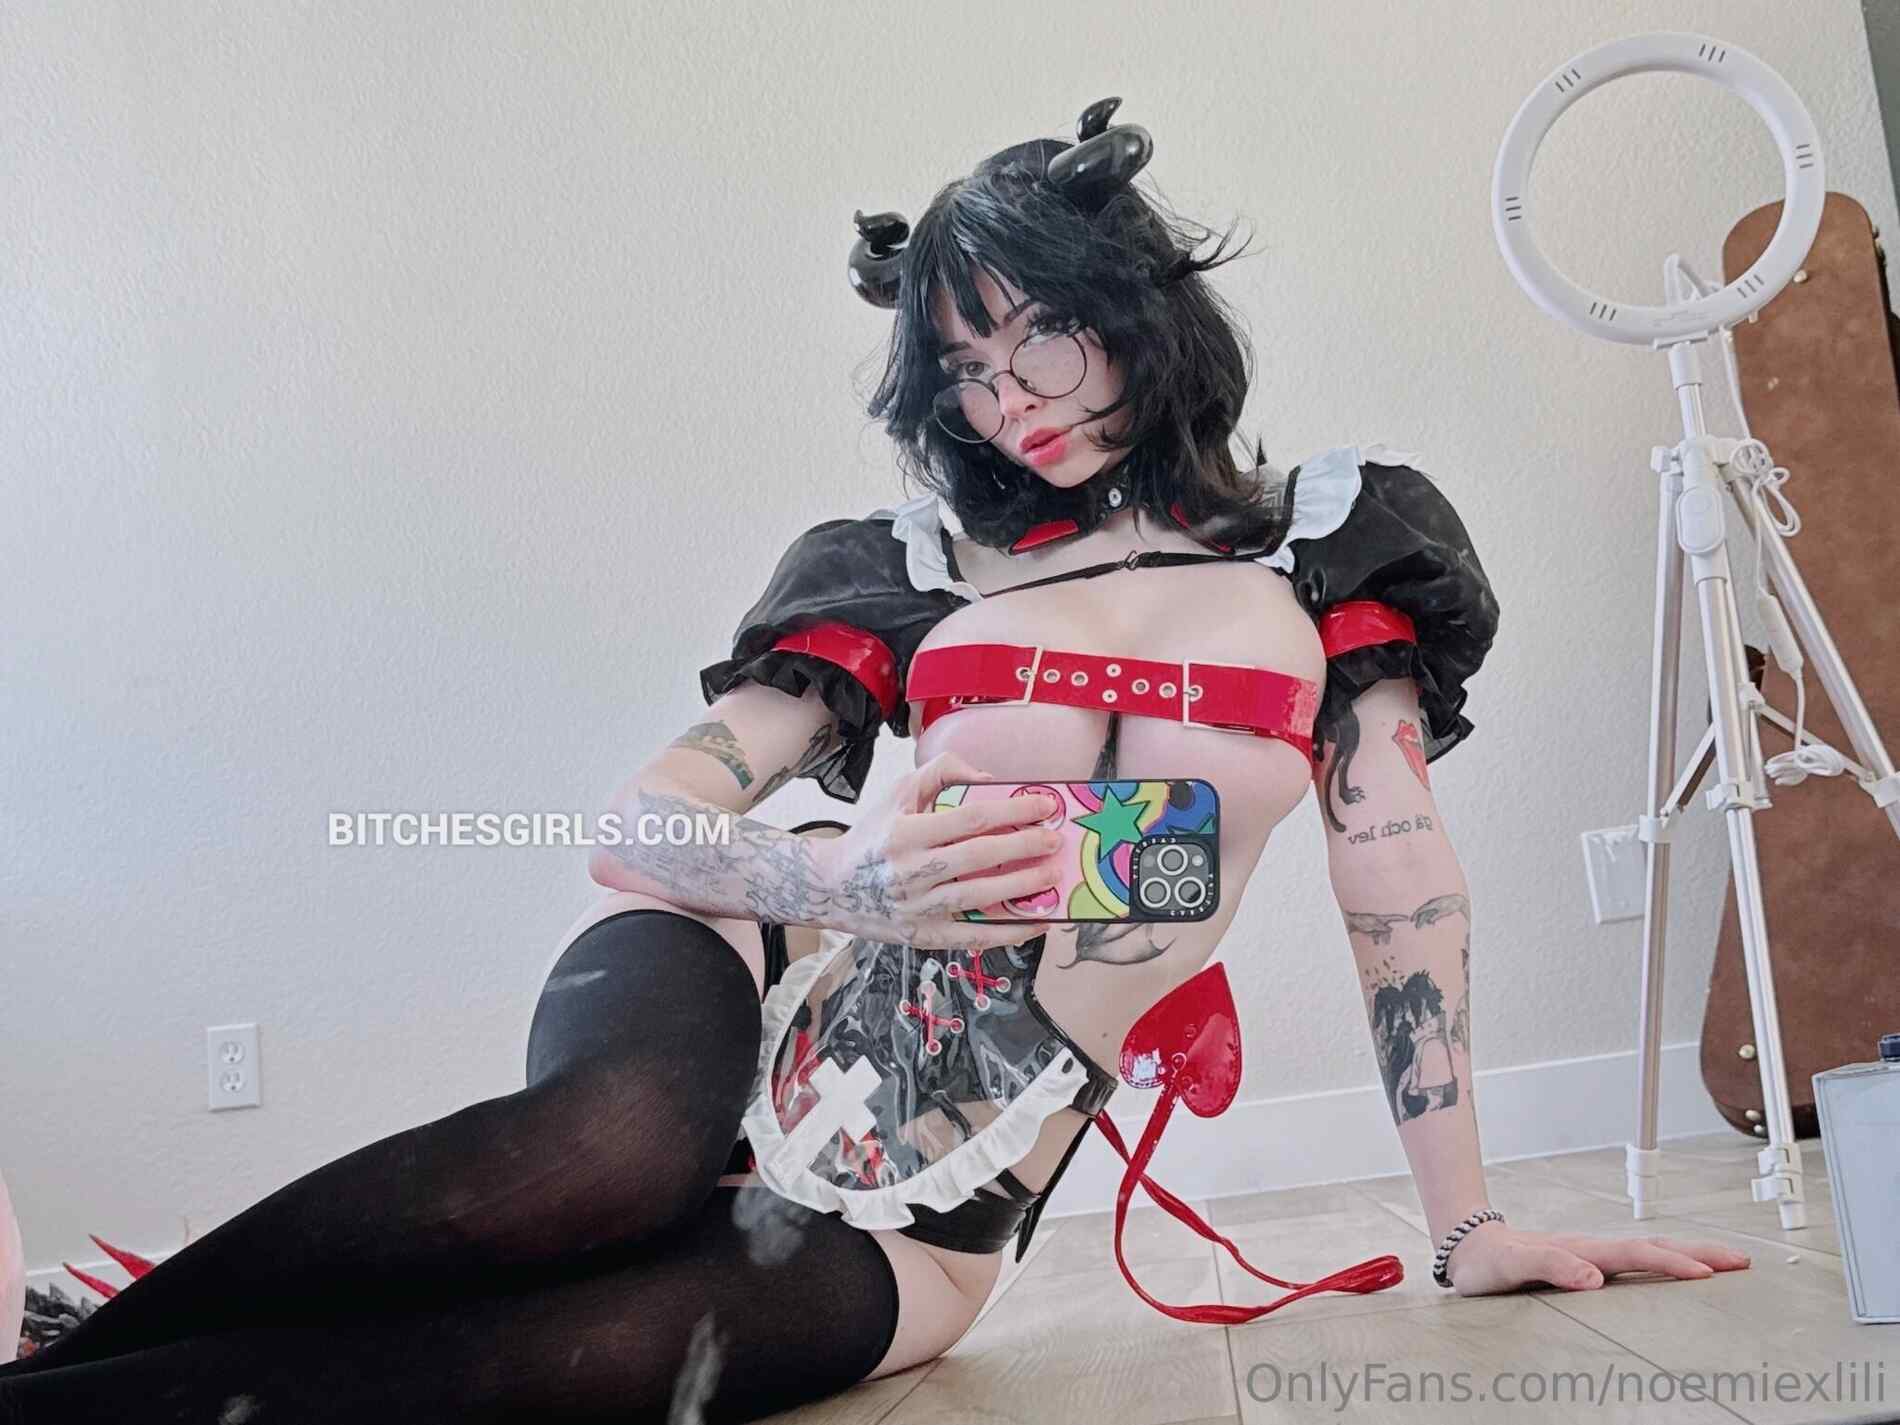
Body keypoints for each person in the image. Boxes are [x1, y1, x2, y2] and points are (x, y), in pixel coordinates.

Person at [0, 96, 1750, 1424]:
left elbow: (1399, 879)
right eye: (965, 368)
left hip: (950, 1184)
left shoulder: (1332, 544)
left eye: (1039, 333)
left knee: (554, 1361)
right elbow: (640, 824)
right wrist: (836, 872)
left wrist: (1467, 1225)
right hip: (742, 958)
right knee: (611, 1151)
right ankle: (72, 1332)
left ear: (1136, 309)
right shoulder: (908, 569)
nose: (1009, 400)